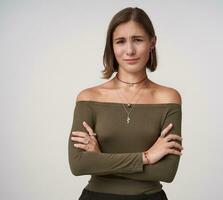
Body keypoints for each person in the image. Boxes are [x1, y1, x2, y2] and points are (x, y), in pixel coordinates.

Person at [68, 7, 184, 200]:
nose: (129, 50)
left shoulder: (168, 98)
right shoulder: (89, 97)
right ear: (111, 46)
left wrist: (100, 160)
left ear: (152, 43)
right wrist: (145, 158)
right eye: (120, 41)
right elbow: (79, 165)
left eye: (138, 40)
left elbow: (167, 172)